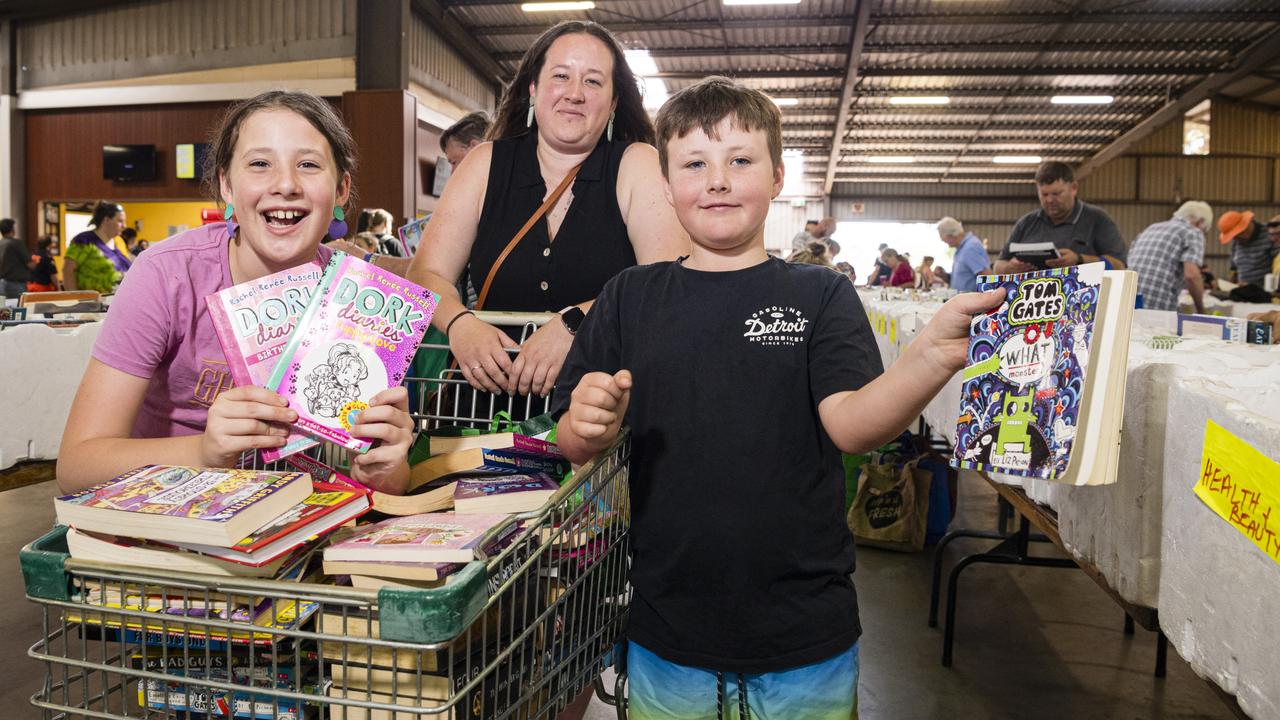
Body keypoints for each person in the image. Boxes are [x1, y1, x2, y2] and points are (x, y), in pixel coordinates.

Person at [552, 76, 1001, 718]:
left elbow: (852, 426)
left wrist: (929, 356)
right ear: (665, 181)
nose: (718, 180)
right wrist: (588, 423)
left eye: (740, 160)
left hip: (803, 635)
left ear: (778, 176)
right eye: (695, 163)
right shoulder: (628, 296)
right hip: (667, 632)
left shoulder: (821, 296)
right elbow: (569, 440)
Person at [56, 90, 414, 495]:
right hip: (167, 516)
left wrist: (382, 466)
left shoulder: (361, 300)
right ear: (226, 184)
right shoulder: (168, 275)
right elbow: (76, 466)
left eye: (309, 165)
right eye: (260, 164)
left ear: (341, 190)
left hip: (300, 518)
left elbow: (392, 488)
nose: (285, 184)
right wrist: (205, 452)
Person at [405, 20, 688, 399]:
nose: (574, 94)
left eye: (592, 81)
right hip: (481, 406)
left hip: (598, 408)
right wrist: (460, 324)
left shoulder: (637, 164)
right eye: (560, 76)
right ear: (534, 89)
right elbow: (426, 273)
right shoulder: (485, 163)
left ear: (614, 101)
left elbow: (667, 280)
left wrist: (576, 323)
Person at [993, 162, 1127, 274]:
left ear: (1074, 188)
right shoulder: (1026, 223)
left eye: (1056, 194)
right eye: (1044, 194)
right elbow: (997, 265)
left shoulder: (1097, 219)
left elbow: (1119, 266)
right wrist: (1009, 268)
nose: (1050, 200)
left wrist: (1079, 259)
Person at [1127, 201, 1213, 313]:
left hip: (1129, 301)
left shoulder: (1151, 228)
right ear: (1200, 222)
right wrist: (1201, 311)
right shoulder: (1193, 232)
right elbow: (1192, 276)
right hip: (1157, 308)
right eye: (1205, 230)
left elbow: (1130, 260)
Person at [64, 201, 132, 292]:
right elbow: (68, 271)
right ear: (106, 220)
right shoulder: (84, 241)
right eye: (120, 221)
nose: (124, 226)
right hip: (91, 303)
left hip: (116, 301)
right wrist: (75, 299)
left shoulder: (118, 242)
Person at [1219, 210, 1275, 286]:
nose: (1236, 239)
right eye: (1233, 237)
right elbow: (1233, 267)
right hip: (1244, 292)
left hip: (1265, 294)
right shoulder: (1237, 241)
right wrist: (1232, 280)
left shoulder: (1271, 235)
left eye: (1237, 235)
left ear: (1245, 226)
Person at [937, 216, 987, 292]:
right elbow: (964, 276)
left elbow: (986, 276)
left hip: (971, 301)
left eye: (943, 238)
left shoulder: (970, 248)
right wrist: (945, 276)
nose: (943, 241)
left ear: (951, 235)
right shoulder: (961, 249)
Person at [0, 218, 33, 299]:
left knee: (4, 310)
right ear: (12, 229)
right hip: (16, 284)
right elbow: (30, 264)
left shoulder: (1, 243)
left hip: (2, 283)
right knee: (19, 309)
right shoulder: (16, 243)